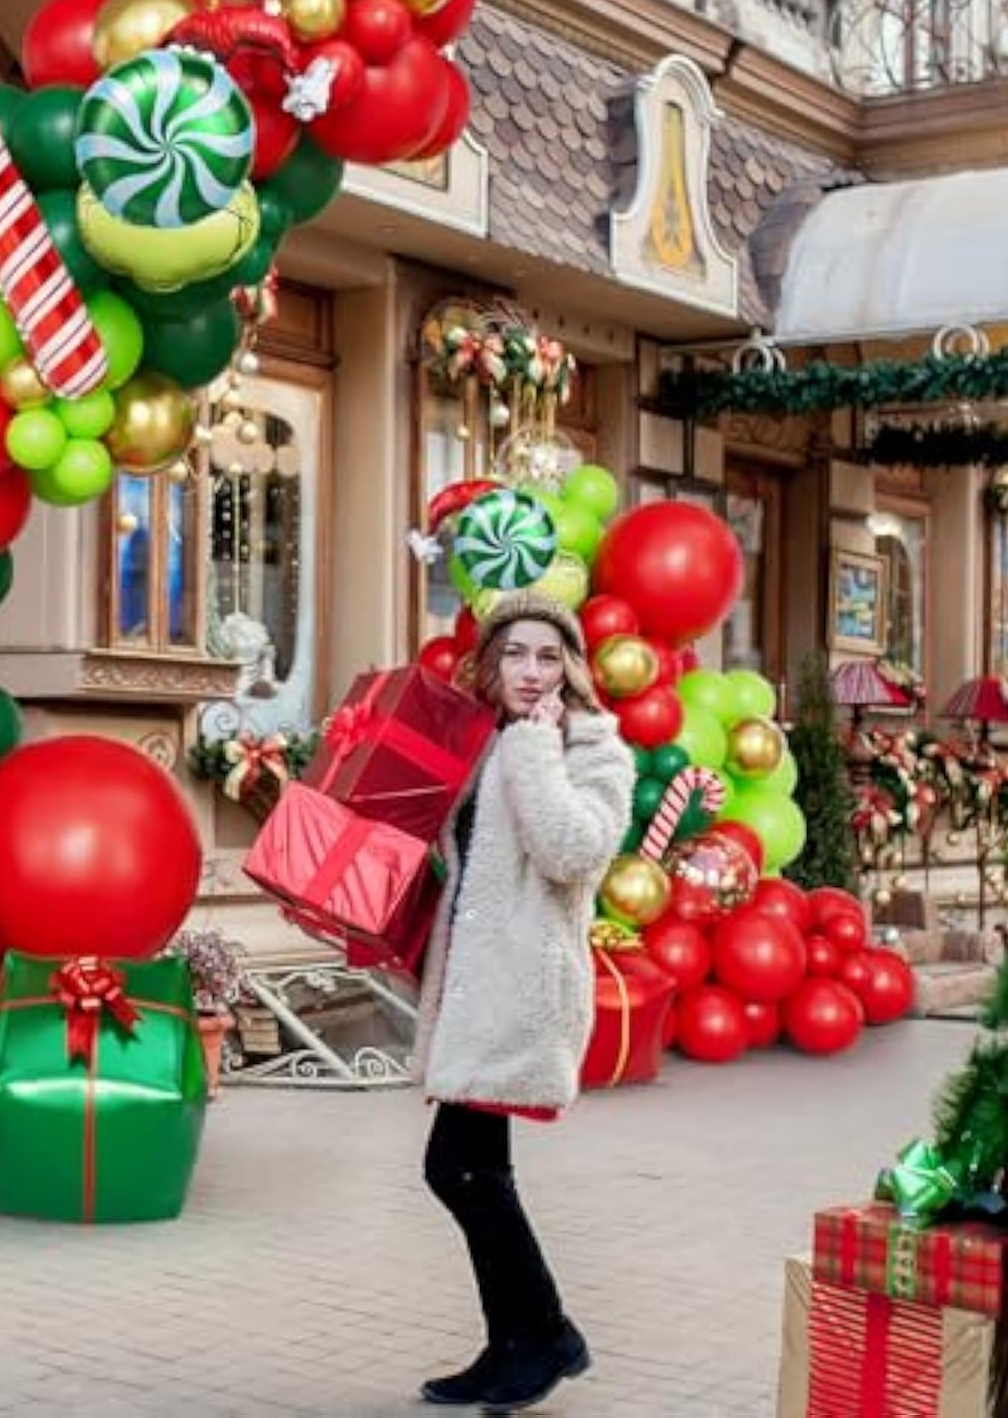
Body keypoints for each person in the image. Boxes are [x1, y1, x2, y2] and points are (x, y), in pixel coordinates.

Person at [412, 590, 635, 1412]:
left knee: (457, 1167)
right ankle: (513, 1343)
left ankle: (544, 1334)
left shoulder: (592, 748)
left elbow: (571, 850)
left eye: (549, 656)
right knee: (477, 1167)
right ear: (490, 662)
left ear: (571, 667)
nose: (532, 672)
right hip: (474, 985)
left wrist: (539, 755)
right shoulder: (485, 744)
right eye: (515, 655)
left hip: (525, 989)